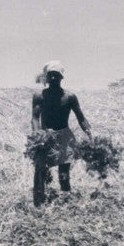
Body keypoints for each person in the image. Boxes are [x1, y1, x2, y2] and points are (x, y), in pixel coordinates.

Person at [31, 60, 91, 205]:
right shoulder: (40, 96)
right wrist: (38, 135)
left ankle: (66, 201)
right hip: (45, 137)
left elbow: (80, 117)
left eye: (56, 76)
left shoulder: (69, 97)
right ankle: (39, 203)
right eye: (50, 75)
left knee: (64, 175)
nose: (53, 79)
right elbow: (34, 118)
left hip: (64, 137)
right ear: (46, 77)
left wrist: (88, 132)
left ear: (61, 78)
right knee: (41, 171)